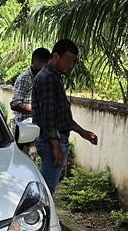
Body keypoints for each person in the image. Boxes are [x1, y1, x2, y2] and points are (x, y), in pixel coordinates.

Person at [32, 39, 98, 194]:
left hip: (53, 139)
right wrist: (56, 147)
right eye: (68, 60)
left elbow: (61, 116)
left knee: (47, 188)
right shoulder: (48, 78)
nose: (71, 65)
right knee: (47, 190)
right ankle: (42, 217)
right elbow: (49, 117)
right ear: (56, 56)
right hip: (51, 141)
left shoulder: (53, 77)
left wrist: (83, 132)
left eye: (73, 61)